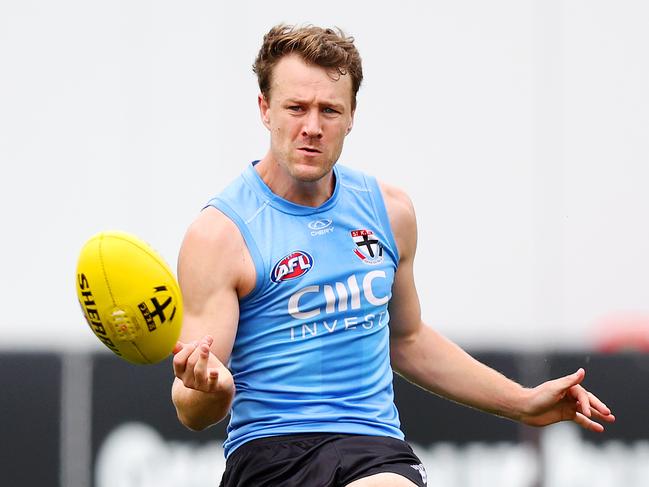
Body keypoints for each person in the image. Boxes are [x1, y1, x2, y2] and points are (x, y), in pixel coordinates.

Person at [171, 24, 615, 487]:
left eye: (329, 110)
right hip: (271, 455)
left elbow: (406, 339)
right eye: (296, 108)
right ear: (264, 109)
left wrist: (523, 402)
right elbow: (191, 408)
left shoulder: (389, 211)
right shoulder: (220, 235)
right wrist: (214, 392)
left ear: (352, 115)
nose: (312, 127)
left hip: (372, 448)